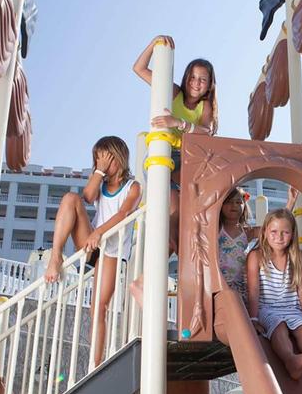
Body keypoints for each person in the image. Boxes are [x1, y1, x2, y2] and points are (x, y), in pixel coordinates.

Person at [44, 136, 141, 365]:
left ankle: (95, 365)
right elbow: (87, 197)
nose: (103, 164)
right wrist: (98, 172)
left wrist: (100, 233)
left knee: (98, 309)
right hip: (91, 245)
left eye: (106, 159)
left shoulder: (133, 187)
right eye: (98, 159)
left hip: (112, 252)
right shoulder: (101, 184)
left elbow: (123, 215)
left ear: (119, 157)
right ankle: (55, 255)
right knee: (70, 198)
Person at [133, 35, 218, 252]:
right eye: (192, 77)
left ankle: (175, 248)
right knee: (174, 203)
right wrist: (153, 44)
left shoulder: (205, 106)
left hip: (187, 159)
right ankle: (171, 244)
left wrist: (179, 123)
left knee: (179, 209)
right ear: (185, 78)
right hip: (165, 153)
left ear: (209, 85)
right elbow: (139, 68)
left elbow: (206, 133)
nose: (196, 83)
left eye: (202, 79)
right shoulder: (173, 92)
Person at [246, 208, 302, 381]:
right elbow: (253, 290)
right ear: (265, 232)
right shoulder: (256, 257)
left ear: (292, 234)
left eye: (285, 232)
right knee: (279, 327)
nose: (279, 237)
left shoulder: (297, 257)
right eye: (274, 232)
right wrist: (253, 319)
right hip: (267, 309)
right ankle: (290, 359)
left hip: (293, 308)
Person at [218, 187, 298, 302]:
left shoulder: (247, 232)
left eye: (238, 202)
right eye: (229, 202)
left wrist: (291, 202)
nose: (234, 205)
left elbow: (275, 228)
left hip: (241, 285)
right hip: (221, 284)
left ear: (244, 205)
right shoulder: (217, 229)